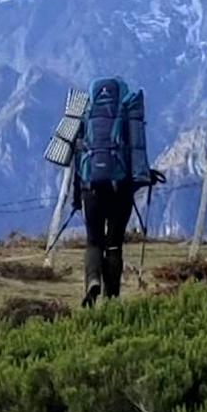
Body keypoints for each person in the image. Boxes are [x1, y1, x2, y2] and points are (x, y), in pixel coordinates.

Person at [69, 76, 156, 307]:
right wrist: (146, 177)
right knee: (115, 243)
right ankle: (112, 297)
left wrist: (76, 198)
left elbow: (78, 160)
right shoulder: (128, 114)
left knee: (93, 241)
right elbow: (137, 154)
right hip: (121, 190)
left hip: (91, 188)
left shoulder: (86, 115)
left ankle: (92, 281)